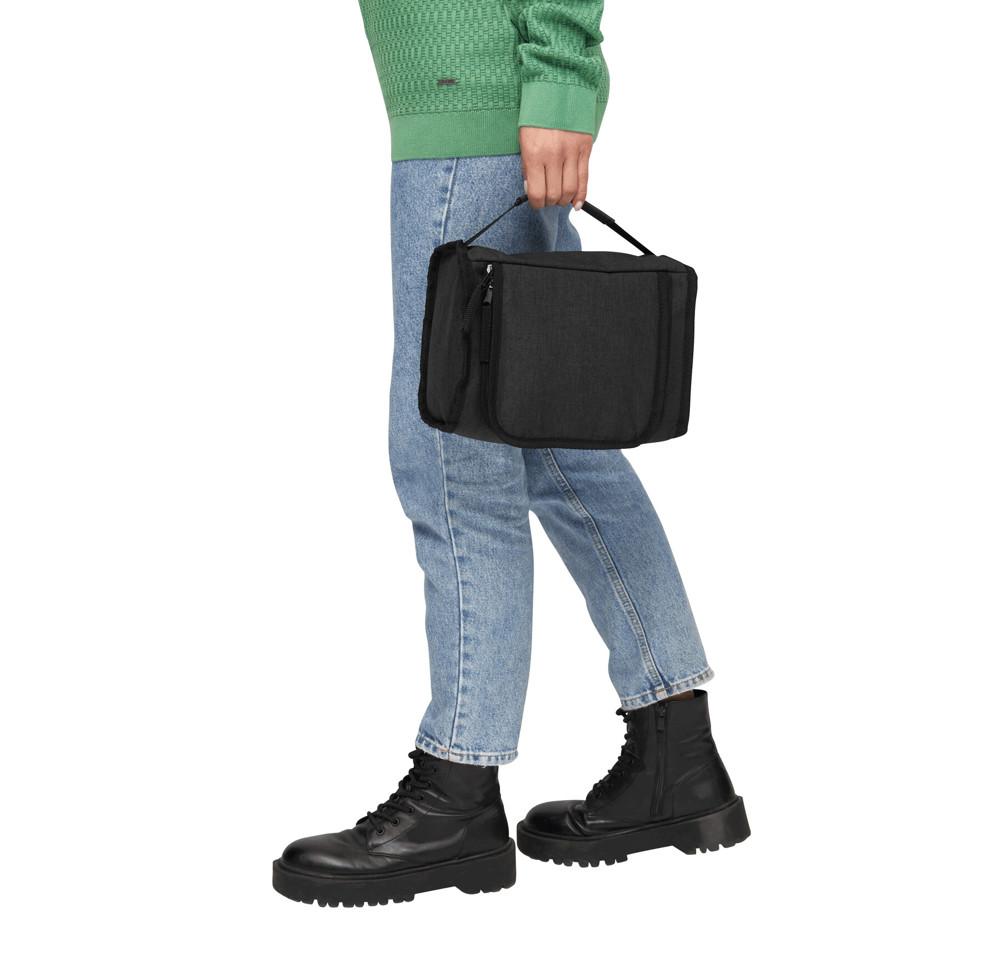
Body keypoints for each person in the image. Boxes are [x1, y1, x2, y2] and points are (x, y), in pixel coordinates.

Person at [272, 0, 749, 908]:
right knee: (544, 440)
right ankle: (676, 752)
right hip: (467, 106)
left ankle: (456, 790)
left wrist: (561, 79)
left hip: (476, 109)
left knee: (451, 459)